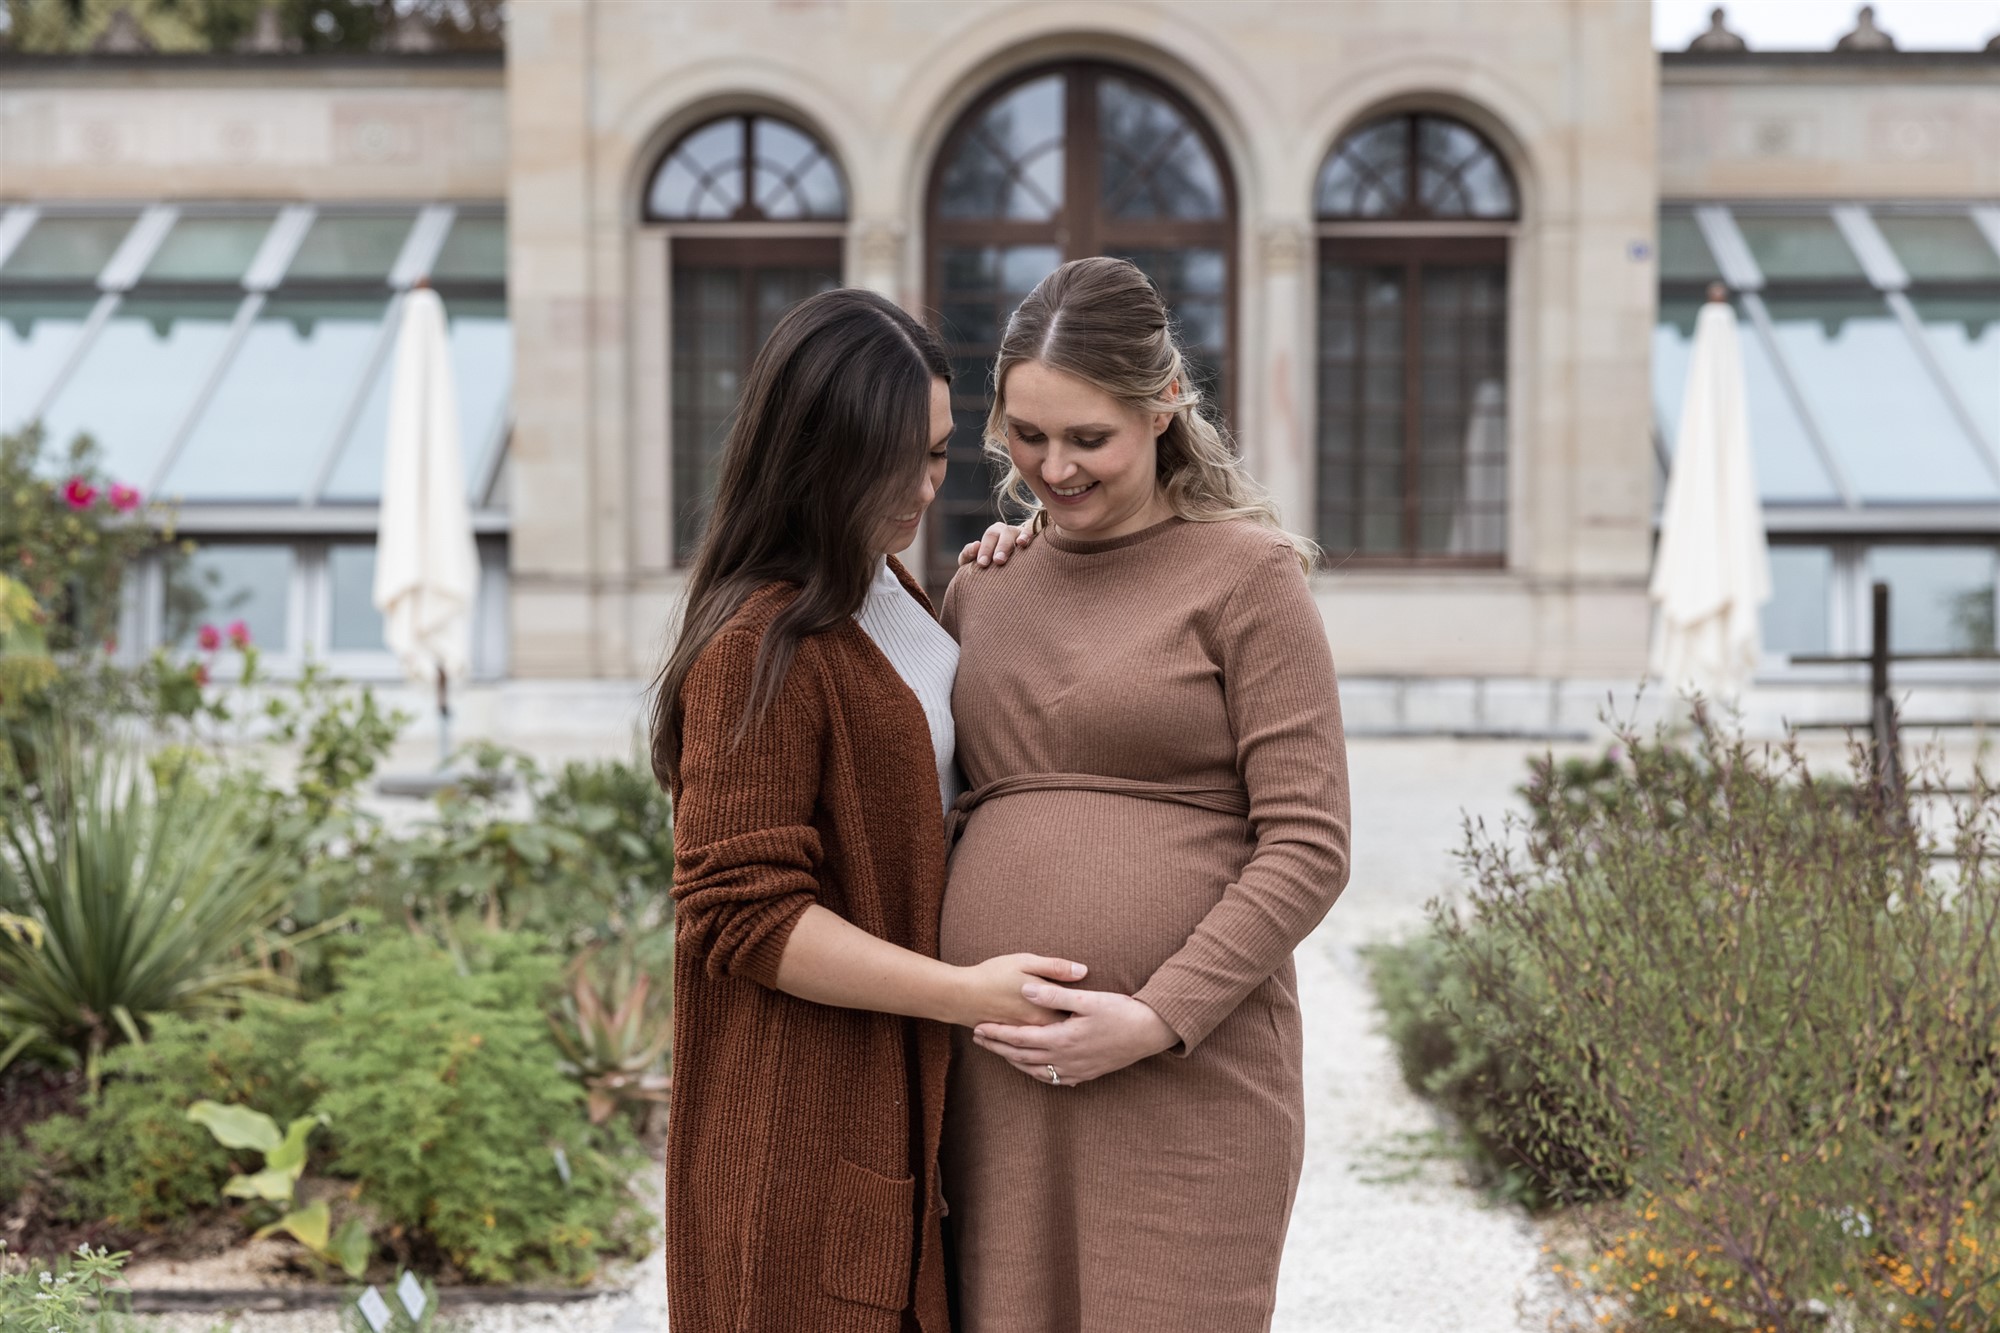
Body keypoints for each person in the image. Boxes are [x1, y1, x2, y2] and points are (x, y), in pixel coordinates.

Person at [650, 287, 1084, 1333]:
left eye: (935, 455)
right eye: (887, 463)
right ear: (808, 452)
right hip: (799, 1132)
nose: (921, 490)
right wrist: (962, 991)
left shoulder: (884, 586)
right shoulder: (760, 640)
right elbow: (741, 914)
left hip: (889, 1116)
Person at [939, 256, 1353, 1332]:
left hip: (1189, 1075)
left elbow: (1307, 844)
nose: (1052, 469)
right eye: (1027, 435)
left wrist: (1155, 1016)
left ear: (1163, 406)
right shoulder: (982, 585)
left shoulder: (1247, 576)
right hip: (992, 1083)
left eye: (1088, 439)